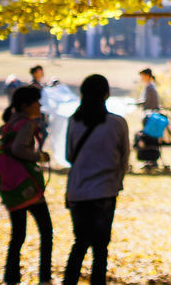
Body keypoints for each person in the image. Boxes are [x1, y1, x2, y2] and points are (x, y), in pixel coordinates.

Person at [63, 74, 130, 285]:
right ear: (106, 94)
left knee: (80, 243)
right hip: (105, 190)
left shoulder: (74, 121)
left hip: (79, 190)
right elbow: (124, 158)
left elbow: (69, 155)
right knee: (101, 248)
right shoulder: (118, 123)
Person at [0, 85, 53, 285]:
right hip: (28, 188)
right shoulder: (26, 125)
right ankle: (44, 278)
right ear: (25, 105)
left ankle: (12, 278)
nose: (40, 104)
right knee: (46, 231)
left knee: (17, 236)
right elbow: (18, 150)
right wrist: (39, 156)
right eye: (36, 101)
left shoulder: (8, 126)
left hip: (10, 189)